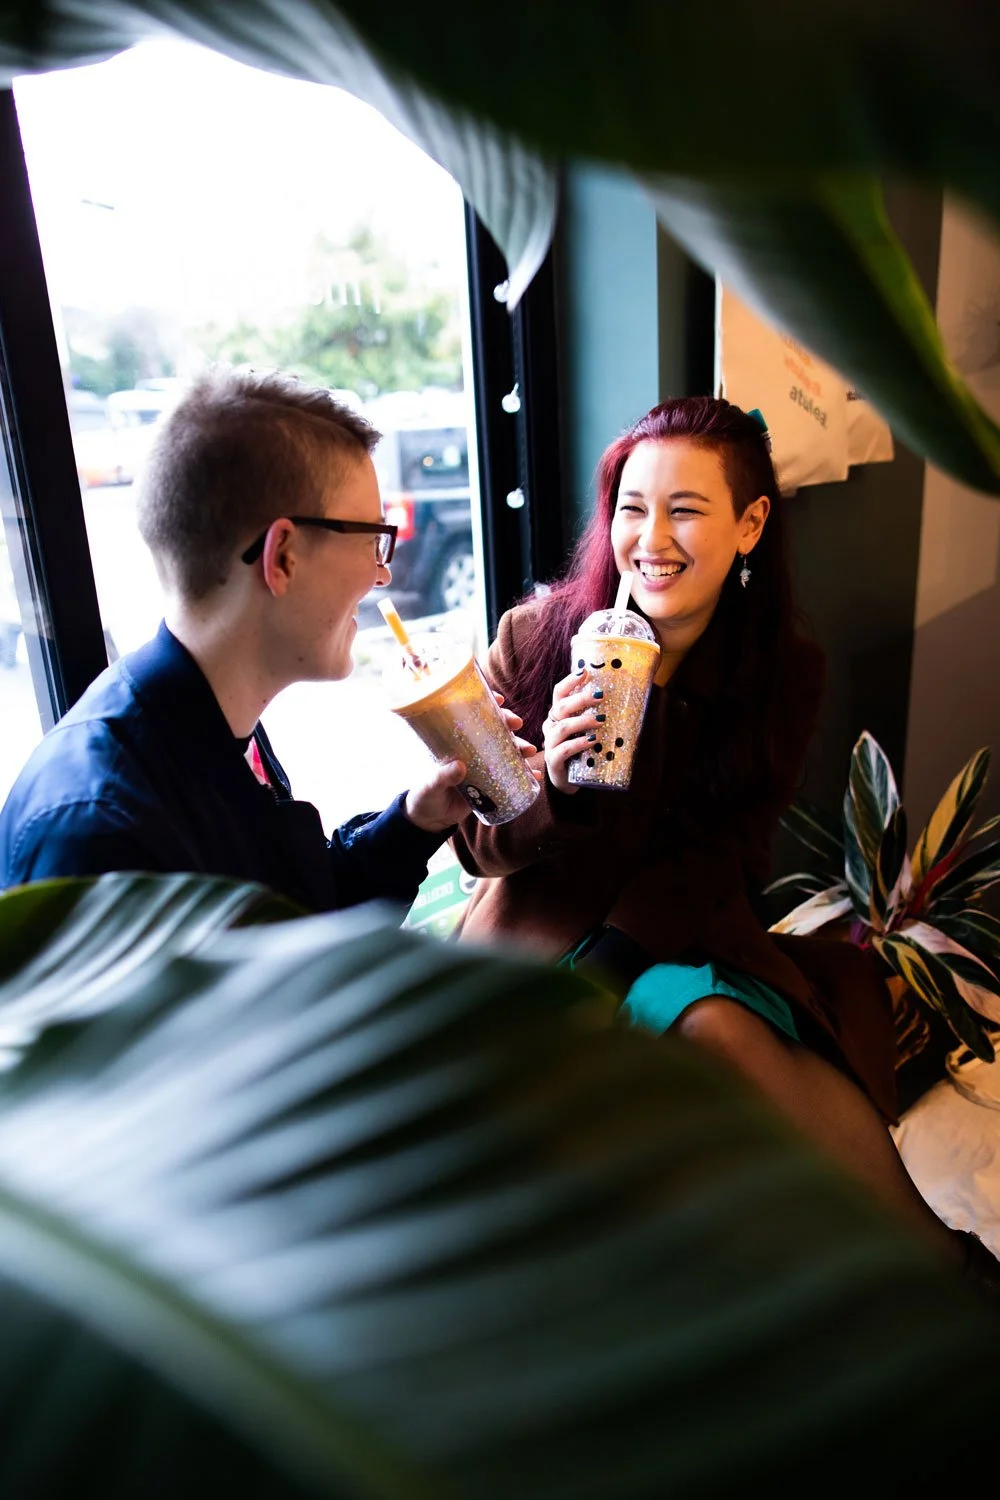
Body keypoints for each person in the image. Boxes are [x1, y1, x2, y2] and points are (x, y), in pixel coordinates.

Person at [451, 395, 1000, 1296]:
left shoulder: (782, 670)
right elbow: (478, 842)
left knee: (716, 1024)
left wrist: (621, 958)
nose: (651, 538)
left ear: (749, 526)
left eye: (686, 509)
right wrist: (548, 780)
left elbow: (727, 853)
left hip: (680, 927)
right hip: (541, 926)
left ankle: (940, 1274)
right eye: (632, 507)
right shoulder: (534, 640)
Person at [0, 367, 533, 913]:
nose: (383, 575)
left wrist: (418, 821)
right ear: (283, 557)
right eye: (374, 540)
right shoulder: (98, 833)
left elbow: (294, 912)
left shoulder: (215, 722)